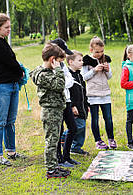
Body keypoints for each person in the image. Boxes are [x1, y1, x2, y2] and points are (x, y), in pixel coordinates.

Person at [30, 43, 70, 178]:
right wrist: (59, 70)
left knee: (55, 139)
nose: (60, 65)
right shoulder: (43, 75)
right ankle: (51, 170)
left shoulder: (47, 73)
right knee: (51, 141)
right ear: (53, 60)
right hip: (51, 111)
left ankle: (54, 165)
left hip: (55, 110)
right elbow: (59, 85)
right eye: (59, 62)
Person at [0, 13, 26, 166]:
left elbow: (12, 62)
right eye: (6, 27)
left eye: (10, 27)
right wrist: (19, 70)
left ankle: (11, 151)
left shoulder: (3, 41)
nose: (9, 30)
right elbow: (10, 62)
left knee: (10, 121)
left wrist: (19, 72)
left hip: (12, 85)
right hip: (2, 86)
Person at [81, 36, 117, 150]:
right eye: (97, 52)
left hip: (105, 93)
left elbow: (109, 76)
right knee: (95, 119)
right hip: (93, 94)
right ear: (91, 50)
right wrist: (94, 70)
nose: (100, 54)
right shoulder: (86, 61)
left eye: (102, 51)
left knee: (108, 118)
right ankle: (98, 140)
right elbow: (83, 77)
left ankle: (111, 139)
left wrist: (107, 70)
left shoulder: (105, 59)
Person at [51, 38, 81, 167]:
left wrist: (66, 81)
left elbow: (70, 81)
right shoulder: (51, 65)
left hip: (67, 100)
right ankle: (59, 159)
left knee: (73, 128)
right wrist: (66, 81)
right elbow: (63, 83)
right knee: (59, 129)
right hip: (58, 102)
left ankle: (66, 156)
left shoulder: (63, 65)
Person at [62, 50, 89, 155]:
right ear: (70, 62)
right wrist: (72, 106)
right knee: (78, 126)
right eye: (79, 60)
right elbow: (68, 93)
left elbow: (83, 92)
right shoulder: (69, 76)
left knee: (82, 127)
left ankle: (76, 147)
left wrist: (87, 105)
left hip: (82, 106)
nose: (82, 62)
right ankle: (63, 137)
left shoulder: (80, 75)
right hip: (75, 107)